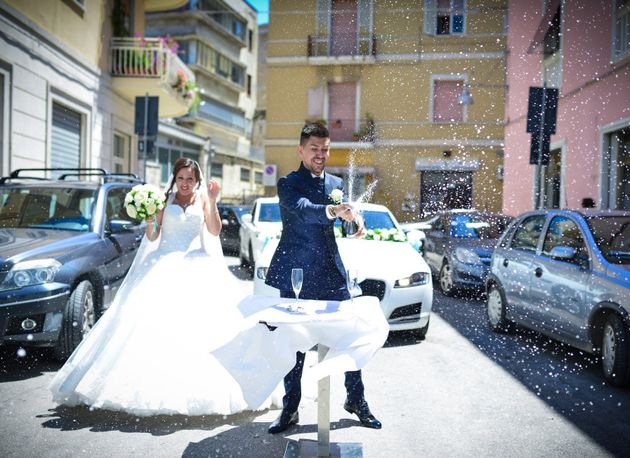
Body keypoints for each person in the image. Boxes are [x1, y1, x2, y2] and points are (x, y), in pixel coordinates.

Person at [48, 158, 259, 416]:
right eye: (181, 178)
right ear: (174, 178)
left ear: (197, 180)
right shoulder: (163, 199)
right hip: (164, 262)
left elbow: (214, 231)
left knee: (199, 327)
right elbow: (153, 236)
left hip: (197, 265)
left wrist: (213, 201)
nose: (185, 183)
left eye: (190, 179)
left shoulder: (204, 199)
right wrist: (151, 216)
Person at [264, 122, 382, 433]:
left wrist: (354, 221)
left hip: (331, 272)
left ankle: (356, 400)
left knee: (349, 336)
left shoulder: (336, 182)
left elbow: (342, 219)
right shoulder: (288, 184)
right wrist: (333, 211)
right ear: (300, 150)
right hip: (297, 273)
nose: (321, 154)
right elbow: (303, 210)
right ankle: (290, 409)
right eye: (314, 148)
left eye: (325, 148)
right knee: (295, 344)